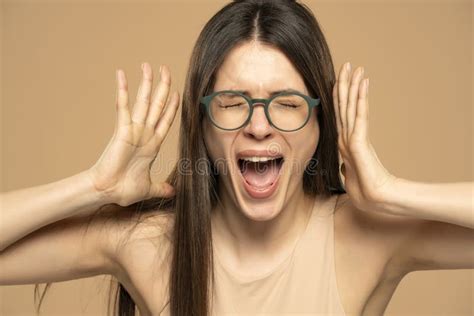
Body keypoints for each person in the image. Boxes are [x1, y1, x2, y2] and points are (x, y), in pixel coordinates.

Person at [1, 0, 472, 315]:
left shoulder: (368, 237)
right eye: (232, 102)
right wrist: (95, 187)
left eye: (287, 103)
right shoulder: (146, 241)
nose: (259, 125)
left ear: (320, 124)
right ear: (201, 126)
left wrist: (392, 193)